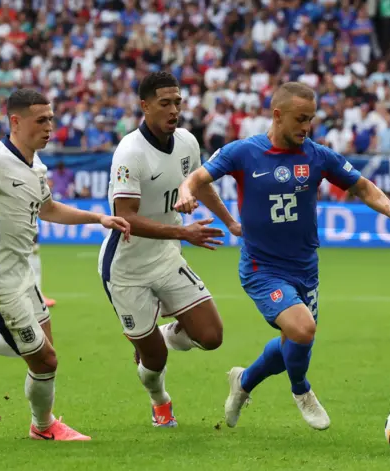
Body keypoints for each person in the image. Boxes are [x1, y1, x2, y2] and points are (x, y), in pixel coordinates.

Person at [175, 82, 390, 430]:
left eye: (311, 120)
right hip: (262, 269)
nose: (306, 127)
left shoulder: (316, 155)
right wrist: (185, 191)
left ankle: (242, 382)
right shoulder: (244, 152)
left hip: (305, 269)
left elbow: (360, 185)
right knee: (303, 330)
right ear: (277, 115)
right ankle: (301, 390)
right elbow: (197, 177)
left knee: (293, 343)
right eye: (300, 119)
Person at [0, 89, 131, 441]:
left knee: (35, 347)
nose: (49, 127)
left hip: (24, 276)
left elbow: (48, 208)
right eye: (41, 120)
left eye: (51, 119)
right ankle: (43, 427)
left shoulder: (36, 164)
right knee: (45, 360)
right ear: (15, 122)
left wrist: (98, 217)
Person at [98, 71, 238, 427]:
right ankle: (160, 402)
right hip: (126, 267)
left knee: (211, 336)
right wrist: (184, 233)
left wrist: (229, 221)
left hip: (165, 257)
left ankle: (152, 336)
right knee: (154, 362)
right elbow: (125, 216)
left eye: (177, 102)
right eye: (165, 103)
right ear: (144, 107)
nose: (174, 110)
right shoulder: (130, 152)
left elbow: (200, 185)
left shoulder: (188, 142)